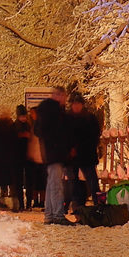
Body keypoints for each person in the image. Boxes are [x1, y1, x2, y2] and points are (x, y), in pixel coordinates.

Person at [35, 86, 72, 224]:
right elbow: (53, 131)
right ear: (59, 95)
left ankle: (50, 215)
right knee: (56, 184)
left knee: (52, 183)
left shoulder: (46, 110)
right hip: (55, 152)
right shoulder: (54, 111)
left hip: (51, 152)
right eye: (64, 96)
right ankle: (57, 215)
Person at [68, 92, 102, 211]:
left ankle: (99, 205)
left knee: (92, 181)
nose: (76, 106)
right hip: (73, 156)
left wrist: (79, 147)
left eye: (78, 104)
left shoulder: (90, 118)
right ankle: (77, 205)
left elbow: (94, 136)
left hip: (86, 154)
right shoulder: (68, 119)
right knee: (74, 182)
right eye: (74, 104)